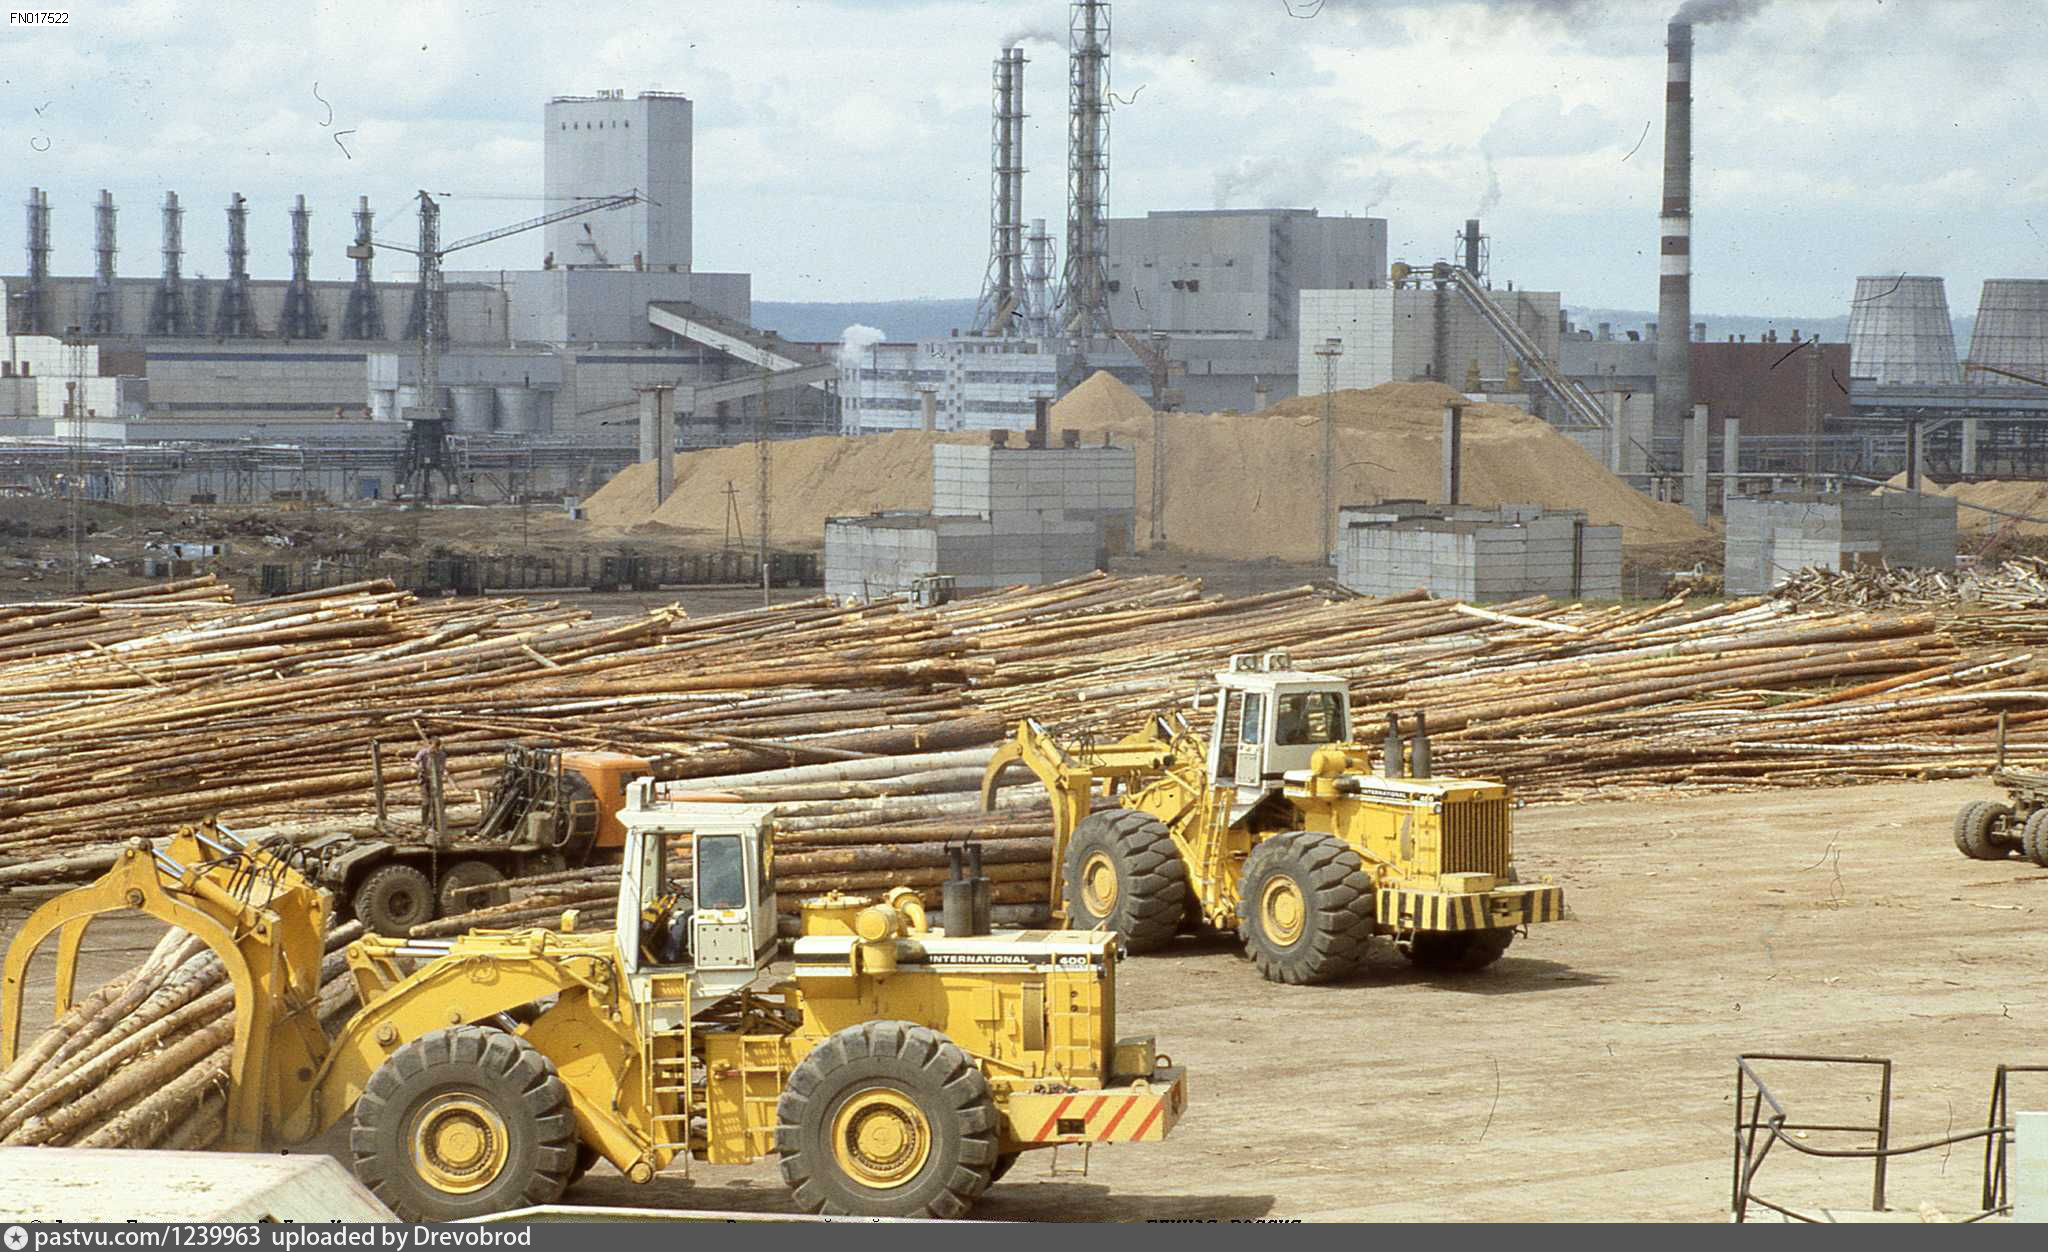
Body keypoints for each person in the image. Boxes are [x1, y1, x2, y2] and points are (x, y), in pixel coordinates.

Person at [413, 737, 447, 832]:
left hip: (436, 781)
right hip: (424, 780)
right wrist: (417, 768)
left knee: (436, 803)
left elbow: (442, 767)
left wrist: (443, 773)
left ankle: (436, 825)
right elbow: (414, 763)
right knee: (426, 803)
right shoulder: (423, 752)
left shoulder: (441, 755)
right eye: (432, 747)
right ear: (429, 745)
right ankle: (424, 824)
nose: (434, 750)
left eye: (436, 748)